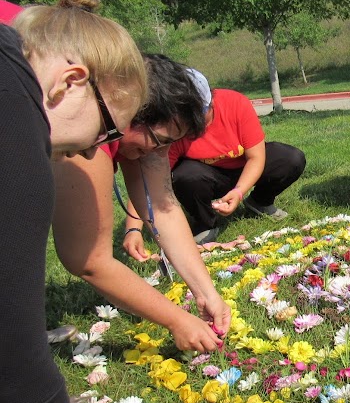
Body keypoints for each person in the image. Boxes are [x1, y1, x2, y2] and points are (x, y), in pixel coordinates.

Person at [1, 0, 145, 403]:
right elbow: (7, 332)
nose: (92, 153)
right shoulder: (16, 115)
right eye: (109, 131)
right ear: (70, 81)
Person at [51, 54, 231, 353]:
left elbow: (163, 207)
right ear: (133, 109)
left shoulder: (139, 133)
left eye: (170, 144)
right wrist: (176, 320)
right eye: (160, 140)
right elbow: (88, 259)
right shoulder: (88, 134)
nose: (159, 152)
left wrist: (206, 293)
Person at [121, 67, 306, 248]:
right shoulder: (174, 129)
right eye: (189, 118)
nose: (196, 123)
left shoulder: (235, 103)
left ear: (211, 100)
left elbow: (256, 158)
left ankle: (259, 202)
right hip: (206, 177)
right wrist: (133, 230)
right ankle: (205, 223)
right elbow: (147, 183)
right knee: (186, 176)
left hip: (242, 167)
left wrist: (239, 192)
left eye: (201, 113)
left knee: (290, 159)